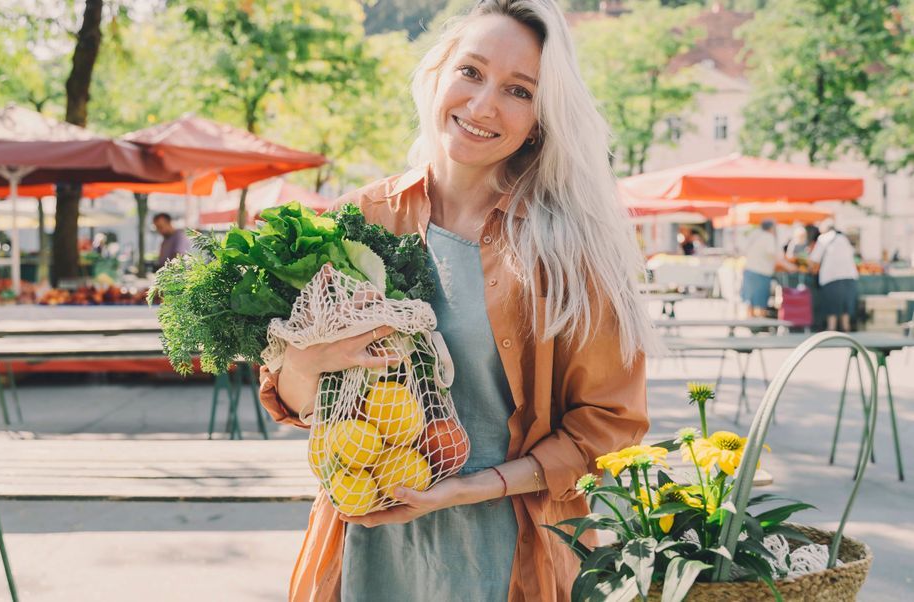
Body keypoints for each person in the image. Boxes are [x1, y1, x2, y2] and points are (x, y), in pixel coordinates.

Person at [258, 2, 657, 600]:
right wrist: (307, 364)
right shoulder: (359, 220)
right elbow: (295, 403)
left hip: (503, 550)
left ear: (542, 118)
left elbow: (609, 426)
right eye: (470, 71)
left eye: (518, 90)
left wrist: (465, 488)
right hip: (365, 547)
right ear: (437, 72)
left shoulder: (570, 249)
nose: (482, 105)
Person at [810, 218, 859, 331]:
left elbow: (814, 259)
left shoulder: (823, 239)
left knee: (831, 306)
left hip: (831, 277)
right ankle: (846, 331)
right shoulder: (843, 238)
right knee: (845, 307)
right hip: (849, 275)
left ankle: (831, 330)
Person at [740, 219, 793, 317]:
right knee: (760, 303)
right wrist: (791, 267)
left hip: (749, 271)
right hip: (760, 274)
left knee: (750, 302)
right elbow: (776, 257)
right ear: (772, 228)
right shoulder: (769, 237)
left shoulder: (755, 235)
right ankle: (759, 325)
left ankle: (750, 325)